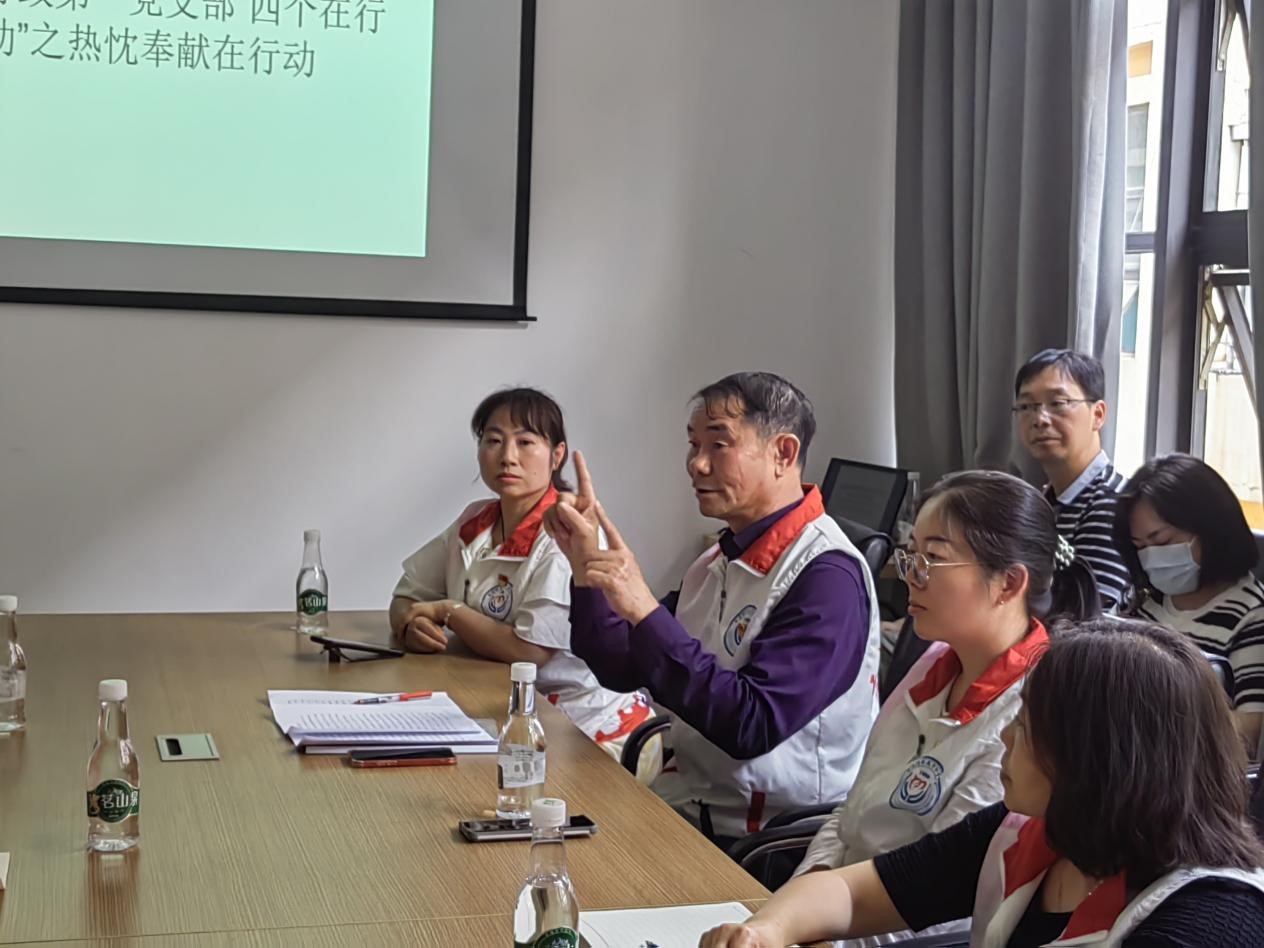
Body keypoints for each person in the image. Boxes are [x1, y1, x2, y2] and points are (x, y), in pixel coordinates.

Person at [701, 618, 1264, 947]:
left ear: (1098, 762)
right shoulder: (1032, 832)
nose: (1008, 741)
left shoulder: (1206, 921)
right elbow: (854, 893)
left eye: (1026, 730)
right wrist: (767, 929)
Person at [545, 372, 880, 847]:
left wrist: (644, 609)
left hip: (770, 840)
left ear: (783, 453)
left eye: (718, 445)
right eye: (693, 444)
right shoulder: (718, 560)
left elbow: (752, 725)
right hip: (687, 804)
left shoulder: (826, 576)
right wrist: (586, 571)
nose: (696, 464)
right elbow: (619, 666)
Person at [793, 470, 1100, 946]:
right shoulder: (932, 664)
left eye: (933, 558)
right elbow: (849, 817)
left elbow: (942, 900)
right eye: (911, 553)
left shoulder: (1031, 713)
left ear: (1008, 583)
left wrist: (824, 935)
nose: (910, 574)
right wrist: (799, 905)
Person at [388, 387, 654, 771]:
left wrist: (449, 611)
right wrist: (409, 625)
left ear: (557, 455)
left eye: (525, 442)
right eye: (493, 441)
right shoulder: (474, 520)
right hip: (507, 713)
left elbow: (529, 652)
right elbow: (406, 594)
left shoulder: (567, 531)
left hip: (587, 726)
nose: (508, 457)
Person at [1114, 452, 1264, 756]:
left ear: (1209, 529)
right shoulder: (1141, 598)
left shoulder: (1251, 615)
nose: (1151, 558)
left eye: (1162, 542)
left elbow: (1248, 734)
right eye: (1140, 547)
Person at [1014, 349, 1130, 610]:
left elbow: (1089, 616)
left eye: (1057, 403)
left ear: (1098, 415)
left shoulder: (1112, 503)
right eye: (1026, 407)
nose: (1040, 419)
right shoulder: (1043, 501)